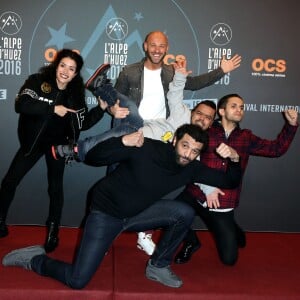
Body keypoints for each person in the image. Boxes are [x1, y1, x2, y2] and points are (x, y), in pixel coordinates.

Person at [2, 123, 242, 289]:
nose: (188, 154)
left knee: (184, 213)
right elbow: (94, 157)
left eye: (195, 151)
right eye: (185, 146)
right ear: (175, 141)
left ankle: (158, 267)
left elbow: (230, 181)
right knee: (77, 280)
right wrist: (122, 141)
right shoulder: (145, 147)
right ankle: (34, 260)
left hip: (138, 214)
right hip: (105, 214)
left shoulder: (191, 168)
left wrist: (234, 159)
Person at [110, 30, 241, 253]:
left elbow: (193, 83)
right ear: (145, 46)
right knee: (114, 183)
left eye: (162, 46)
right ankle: (104, 231)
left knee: (151, 185)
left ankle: (143, 232)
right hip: (133, 128)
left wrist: (222, 70)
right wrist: (112, 106)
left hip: (159, 137)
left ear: (167, 48)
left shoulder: (171, 74)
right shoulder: (130, 72)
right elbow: (115, 98)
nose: (157, 50)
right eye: (153, 45)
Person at [0, 49, 107, 252]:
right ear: (56, 65)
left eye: (72, 69)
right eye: (63, 65)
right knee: (9, 181)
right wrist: (52, 108)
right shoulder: (38, 81)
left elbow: (82, 123)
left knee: (55, 189)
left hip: (58, 147)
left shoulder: (75, 95)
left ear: (76, 74)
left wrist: (100, 109)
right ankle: (0, 221)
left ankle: (53, 231)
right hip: (32, 143)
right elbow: (22, 104)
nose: (66, 71)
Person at [173, 94, 299, 266]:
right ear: (222, 111)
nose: (239, 110)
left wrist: (291, 126)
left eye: (241, 107)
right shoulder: (206, 132)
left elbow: (276, 149)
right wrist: (207, 188)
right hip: (195, 194)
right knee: (170, 213)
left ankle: (233, 228)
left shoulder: (246, 137)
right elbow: (190, 161)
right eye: (234, 106)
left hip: (223, 203)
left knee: (229, 259)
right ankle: (191, 242)